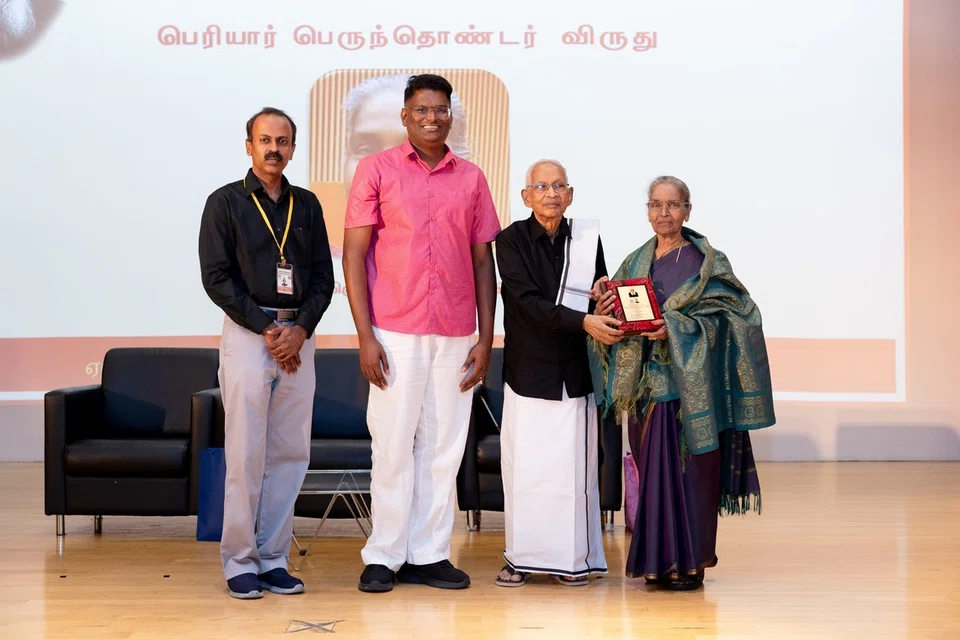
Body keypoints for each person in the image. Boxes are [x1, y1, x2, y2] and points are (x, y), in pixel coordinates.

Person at [342, 73, 500, 593]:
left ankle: (429, 554)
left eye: (441, 109)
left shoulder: (471, 178)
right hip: (394, 330)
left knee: (443, 448)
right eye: (422, 110)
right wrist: (365, 336)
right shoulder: (376, 169)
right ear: (406, 116)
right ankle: (384, 555)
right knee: (391, 445)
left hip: (456, 331)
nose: (432, 118)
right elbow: (354, 256)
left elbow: (483, 263)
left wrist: (485, 338)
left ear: (450, 115)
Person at [588, 175, 775, 590]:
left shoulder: (709, 263)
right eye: (656, 205)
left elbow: (740, 317)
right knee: (654, 479)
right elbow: (616, 315)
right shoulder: (635, 262)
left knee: (692, 478)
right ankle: (657, 562)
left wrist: (674, 327)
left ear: (687, 211)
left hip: (693, 393)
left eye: (673, 205)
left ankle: (690, 565)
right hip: (646, 391)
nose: (664, 213)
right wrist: (603, 304)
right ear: (647, 212)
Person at [198, 107, 335, 599]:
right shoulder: (224, 202)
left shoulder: (308, 204)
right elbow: (216, 278)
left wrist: (299, 330)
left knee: (291, 453)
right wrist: (268, 329)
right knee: (246, 451)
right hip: (248, 334)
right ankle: (239, 561)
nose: (274, 149)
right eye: (265, 140)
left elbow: (323, 278)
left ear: (293, 148)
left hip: (299, 336)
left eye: (282, 141)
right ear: (249, 146)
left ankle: (273, 557)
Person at [493, 159, 622, 588]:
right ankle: (522, 559)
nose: (551, 194)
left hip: (574, 372)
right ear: (525, 196)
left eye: (558, 186)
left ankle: (573, 560)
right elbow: (526, 303)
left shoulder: (586, 239)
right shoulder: (510, 240)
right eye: (541, 186)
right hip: (529, 373)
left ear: (570, 194)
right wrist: (584, 320)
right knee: (526, 472)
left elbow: (598, 291)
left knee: (573, 475)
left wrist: (602, 296)